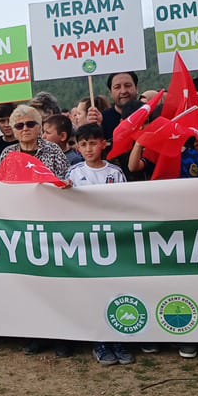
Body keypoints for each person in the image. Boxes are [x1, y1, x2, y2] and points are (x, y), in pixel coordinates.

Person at [61, 124, 133, 366]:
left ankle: (120, 338)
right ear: (77, 147)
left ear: (104, 144)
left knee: (116, 289)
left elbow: (126, 205)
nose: (88, 148)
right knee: (93, 292)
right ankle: (100, 341)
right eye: (83, 144)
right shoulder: (73, 174)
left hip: (112, 241)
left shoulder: (116, 172)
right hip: (86, 244)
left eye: (93, 143)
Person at [0, 104, 70, 180]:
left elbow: (66, 179)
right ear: (14, 130)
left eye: (30, 124)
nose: (25, 129)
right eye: (19, 126)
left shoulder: (53, 150)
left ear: (39, 127)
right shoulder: (8, 153)